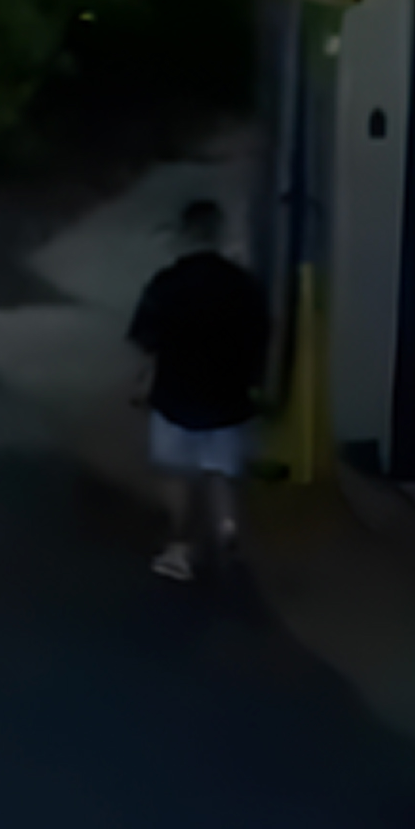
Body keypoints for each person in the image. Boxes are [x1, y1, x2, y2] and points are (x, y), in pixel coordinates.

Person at [128, 197, 268, 584]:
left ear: (186, 234)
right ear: (218, 232)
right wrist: (257, 382)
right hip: (230, 396)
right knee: (223, 474)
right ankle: (228, 534)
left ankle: (181, 546)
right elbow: (261, 337)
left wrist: (141, 384)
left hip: (175, 392)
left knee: (177, 473)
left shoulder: (167, 283)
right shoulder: (242, 285)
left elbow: (145, 340)